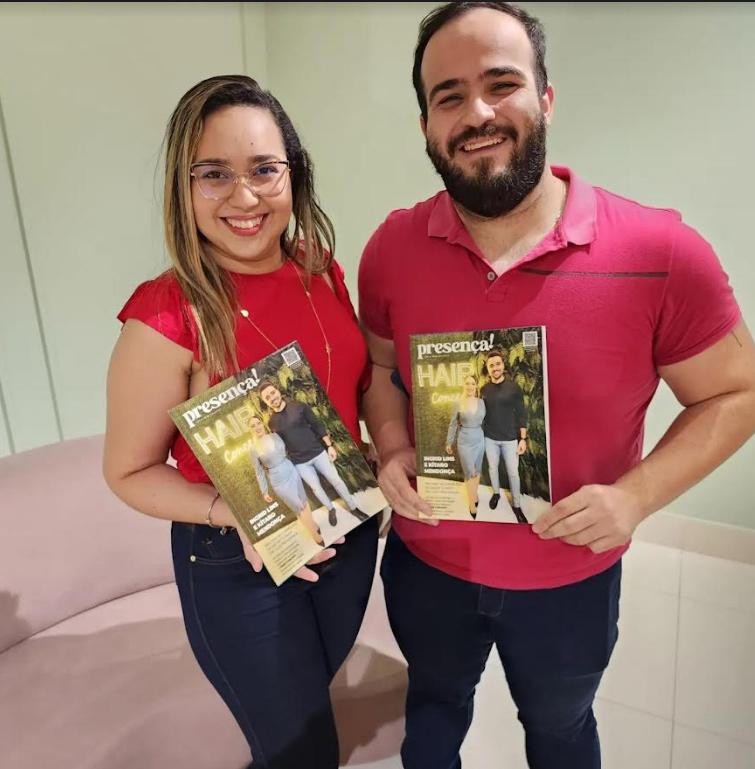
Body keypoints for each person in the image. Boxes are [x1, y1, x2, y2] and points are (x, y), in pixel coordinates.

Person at [358, 3, 755, 769]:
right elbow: (379, 370)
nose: (476, 113)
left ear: (544, 96)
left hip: (569, 577)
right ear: (426, 125)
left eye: (500, 84)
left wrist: (635, 496)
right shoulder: (392, 247)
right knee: (432, 706)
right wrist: (395, 443)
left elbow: (735, 391)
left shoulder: (660, 251)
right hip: (424, 564)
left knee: (560, 729)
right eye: (448, 96)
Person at [104, 74, 378, 769]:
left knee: (306, 715)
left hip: (342, 527)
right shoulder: (165, 315)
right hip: (239, 557)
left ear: (293, 173)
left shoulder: (321, 270)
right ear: (184, 186)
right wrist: (235, 513)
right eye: (214, 174)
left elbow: (354, 383)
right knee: (302, 750)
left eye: (263, 169)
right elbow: (128, 471)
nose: (244, 197)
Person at [258, 379, 371, 527]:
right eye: (267, 397)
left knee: (336, 481)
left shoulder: (298, 406)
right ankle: (331, 509)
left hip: (318, 453)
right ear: (265, 402)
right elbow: (280, 446)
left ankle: (353, 508)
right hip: (300, 463)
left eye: (272, 393)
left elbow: (317, 425)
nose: (272, 398)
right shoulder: (272, 423)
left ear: (278, 391)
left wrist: (329, 446)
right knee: (317, 489)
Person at [248, 413, 324, 545]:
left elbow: (290, 449)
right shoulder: (253, 449)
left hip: (290, 470)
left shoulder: (275, 436)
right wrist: (264, 491)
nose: (257, 427)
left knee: (303, 501)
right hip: (278, 480)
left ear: (262, 424)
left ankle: (311, 524)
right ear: (250, 430)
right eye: (253, 426)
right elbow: (259, 471)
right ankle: (314, 534)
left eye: (258, 423)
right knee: (298, 506)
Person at [480, 348, 529, 523]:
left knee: (513, 473)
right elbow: (481, 414)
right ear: (488, 368)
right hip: (490, 439)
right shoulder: (484, 390)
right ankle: (496, 494)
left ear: (503, 365)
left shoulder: (514, 388)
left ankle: (517, 505)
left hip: (510, 440)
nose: (495, 368)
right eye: (491, 365)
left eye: (498, 364)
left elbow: (522, 415)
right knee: (492, 469)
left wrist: (523, 439)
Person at [445, 373, 486, 518]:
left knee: (477, 470)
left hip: (479, 439)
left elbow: (484, 421)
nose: (470, 386)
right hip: (465, 441)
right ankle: (472, 504)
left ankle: (474, 494)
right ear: (463, 385)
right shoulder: (458, 403)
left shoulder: (481, 402)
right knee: (470, 471)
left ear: (476, 386)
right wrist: (449, 442)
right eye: (467, 383)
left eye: (472, 383)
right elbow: (453, 424)